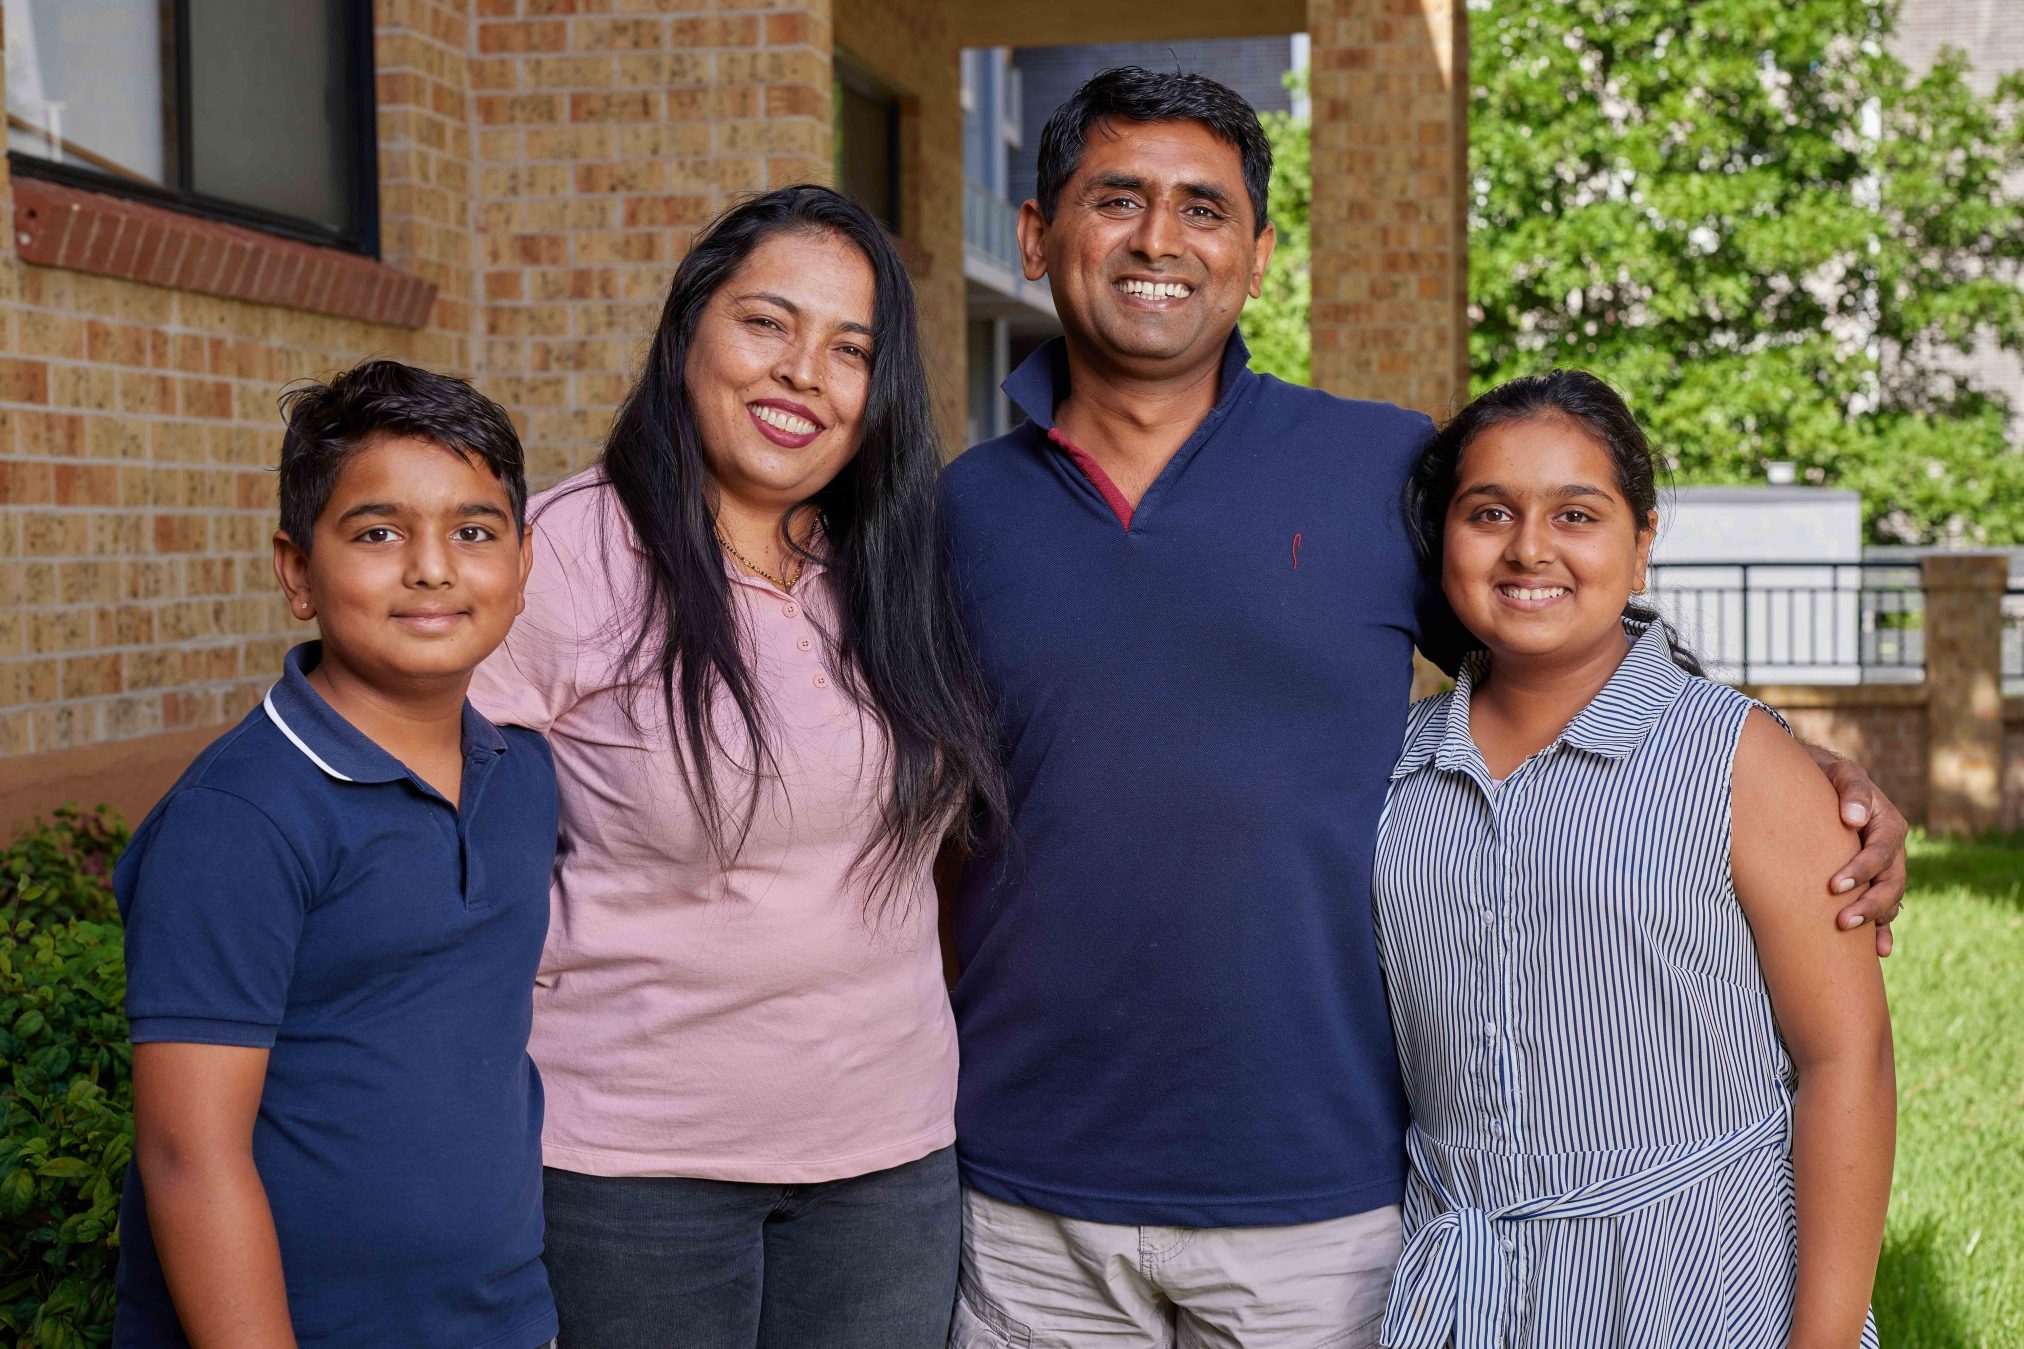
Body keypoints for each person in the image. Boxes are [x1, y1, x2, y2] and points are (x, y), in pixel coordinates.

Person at [938, 67, 1907, 1349]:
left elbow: (1556, 637)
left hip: (1315, 1197)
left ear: (1260, 252)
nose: (1159, 240)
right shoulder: (953, 511)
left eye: (1203, 208)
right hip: (1025, 1191)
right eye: (1116, 199)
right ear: (1034, 234)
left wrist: (1794, 766)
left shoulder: (1376, 467)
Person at [466, 184, 1006, 1349]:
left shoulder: (894, 566)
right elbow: (439, 840)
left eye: (848, 347)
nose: (803, 371)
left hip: (887, 1154)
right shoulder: (562, 555)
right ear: (689, 329)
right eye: (768, 322)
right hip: (632, 1164)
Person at [1374, 370, 1892, 1348]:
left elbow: (1846, 1061)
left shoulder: (1741, 761)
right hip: (1468, 1298)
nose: (1529, 546)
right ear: (1442, 537)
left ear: (1641, 540)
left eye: (1576, 512)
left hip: (1698, 1288)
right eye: (1488, 512)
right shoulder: (1391, 771)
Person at [113, 360, 556, 1348]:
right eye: (378, 531)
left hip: (500, 1322)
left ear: (522, 567)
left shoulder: (522, 776)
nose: (431, 567)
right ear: (295, 569)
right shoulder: (241, 817)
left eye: (474, 531)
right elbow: (189, 1154)